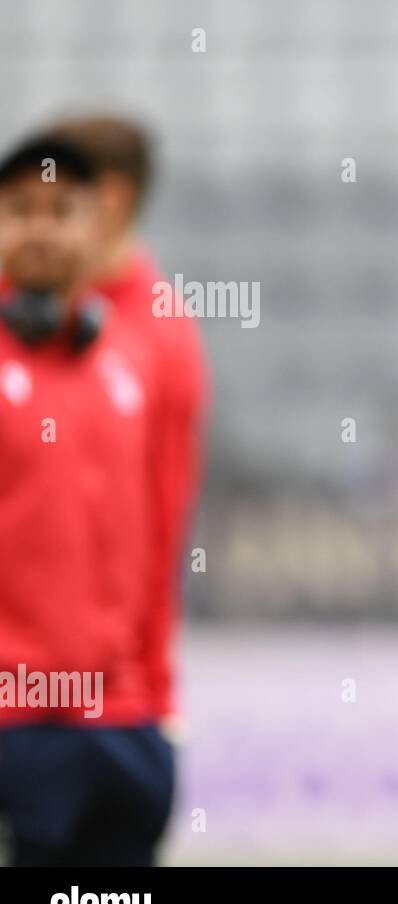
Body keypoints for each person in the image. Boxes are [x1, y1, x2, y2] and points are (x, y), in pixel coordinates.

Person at [0, 134, 175, 864]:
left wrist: (161, 706)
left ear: (97, 223)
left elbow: (157, 543)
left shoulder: (132, 367)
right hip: (16, 730)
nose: (40, 227)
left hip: (127, 729)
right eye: (19, 209)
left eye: (60, 209)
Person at [42, 115, 209, 737]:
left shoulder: (161, 336)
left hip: (108, 694)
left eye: (59, 198)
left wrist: (154, 685)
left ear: (111, 199)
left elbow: (163, 515)